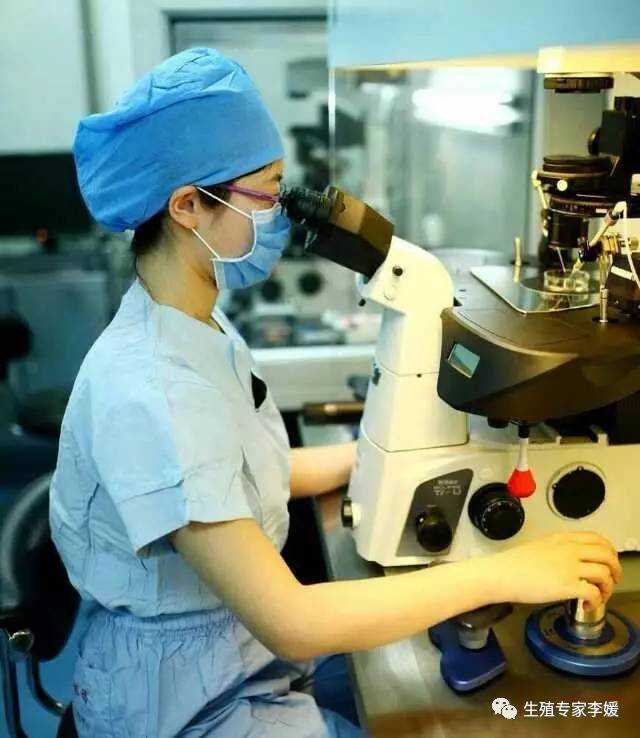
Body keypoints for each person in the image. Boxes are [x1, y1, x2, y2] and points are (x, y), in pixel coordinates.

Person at [50, 48, 622, 738]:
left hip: (237, 657)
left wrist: (383, 456)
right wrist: (507, 573)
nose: (281, 213)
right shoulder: (150, 391)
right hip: (187, 706)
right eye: (267, 193)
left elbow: (234, 478)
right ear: (188, 207)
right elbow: (294, 621)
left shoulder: (192, 324)